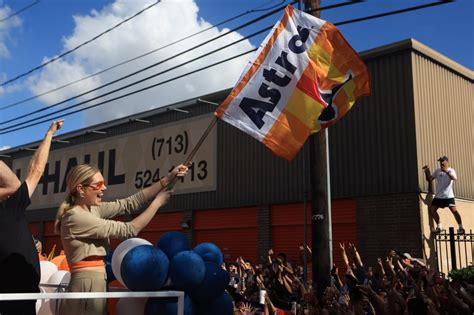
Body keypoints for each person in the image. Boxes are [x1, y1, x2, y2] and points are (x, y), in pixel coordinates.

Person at [55, 162, 189, 315]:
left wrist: (168, 179)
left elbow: (129, 203)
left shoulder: (91, 210)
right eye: (98, 184)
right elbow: (129, 229)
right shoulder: (76, 217)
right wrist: (157, 203)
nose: (104, 188)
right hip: (87, 283)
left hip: (94, 281)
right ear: (80, 189)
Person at [0, 120, 63, 315]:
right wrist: (50, 134)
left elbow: (31, 174)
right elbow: (34, 172)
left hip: (23, 293)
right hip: (15, 295)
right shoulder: (11, 207)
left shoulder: (11, 207)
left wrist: (49, 134)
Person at [423, 155, 464, 234]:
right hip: (438, 196)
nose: (441, 162)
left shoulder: (451, 170)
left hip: (448, 196)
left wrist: (446, 171)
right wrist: (426, 171)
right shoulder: (437, 171)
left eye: (442, 161)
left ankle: (461, 228)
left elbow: (454, 178)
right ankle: (440, 226)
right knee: (432, 210)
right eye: (440, 161)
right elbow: (430, 179)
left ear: (446, 161)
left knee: (454, 211)